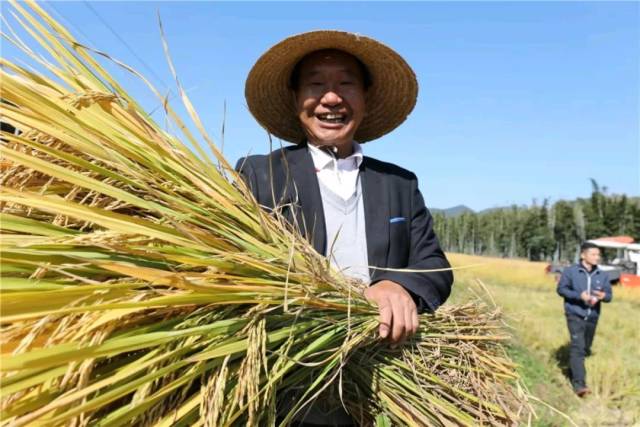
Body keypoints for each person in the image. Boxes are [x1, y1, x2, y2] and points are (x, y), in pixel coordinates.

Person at [238, 30, 454, 425]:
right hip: (282, 382)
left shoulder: (399, 184)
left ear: (366, 100)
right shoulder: (258, 175)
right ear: (295, 99)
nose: (332, 98)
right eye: (316, 85)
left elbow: (434, 264)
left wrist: (398, 285)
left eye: (346, 84)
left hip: (372, 382)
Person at [557, 241, 612, 397]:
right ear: (583, 255)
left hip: (593, 316)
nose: (597, 257)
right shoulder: (571, 272)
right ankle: (579, 385)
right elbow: (561, 289)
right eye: (594, 254)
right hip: (575, 314)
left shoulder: (602, 274)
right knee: (578, 347)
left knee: (585, 348)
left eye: (598, 254)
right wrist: (579, 296)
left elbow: (609, 296)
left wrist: (603, 296)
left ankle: (573, 370)